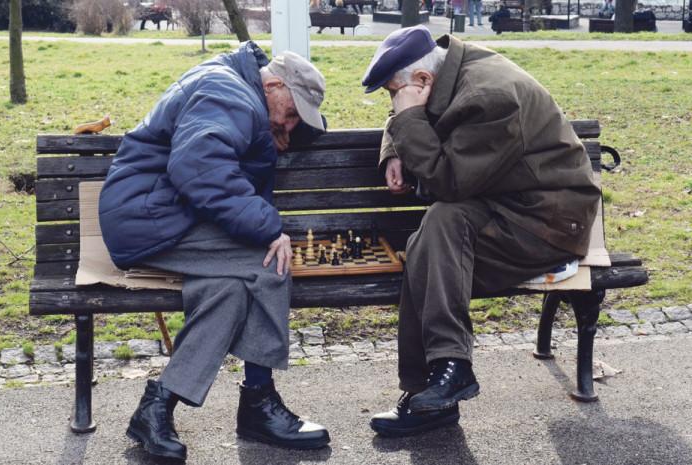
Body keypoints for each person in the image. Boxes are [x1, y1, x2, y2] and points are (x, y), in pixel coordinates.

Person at [360, 26, 600, 437]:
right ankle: (440, 382)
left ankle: (441, 379)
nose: (394, 102)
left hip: (547, 222)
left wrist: (408, 119)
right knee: (431, 242)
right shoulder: (447, 68)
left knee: (436, 234)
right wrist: (392, 151)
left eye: (393, 92)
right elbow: (408, 112)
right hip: (508, 203)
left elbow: (448, 182)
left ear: (422, 81)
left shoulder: (490, 98)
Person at [98, 42, 331, 460]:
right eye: (292, 112)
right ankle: (259, 403)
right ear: (273, 83)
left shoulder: (239, 88)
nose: (290, 125)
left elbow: (225, 157)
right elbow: (199, 168)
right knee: (268, 264)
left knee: (228, 289)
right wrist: (269, 228)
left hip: (162, 215)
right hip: (149, 220)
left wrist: (276, 129)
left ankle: (157, 407)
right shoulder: (230, 94)